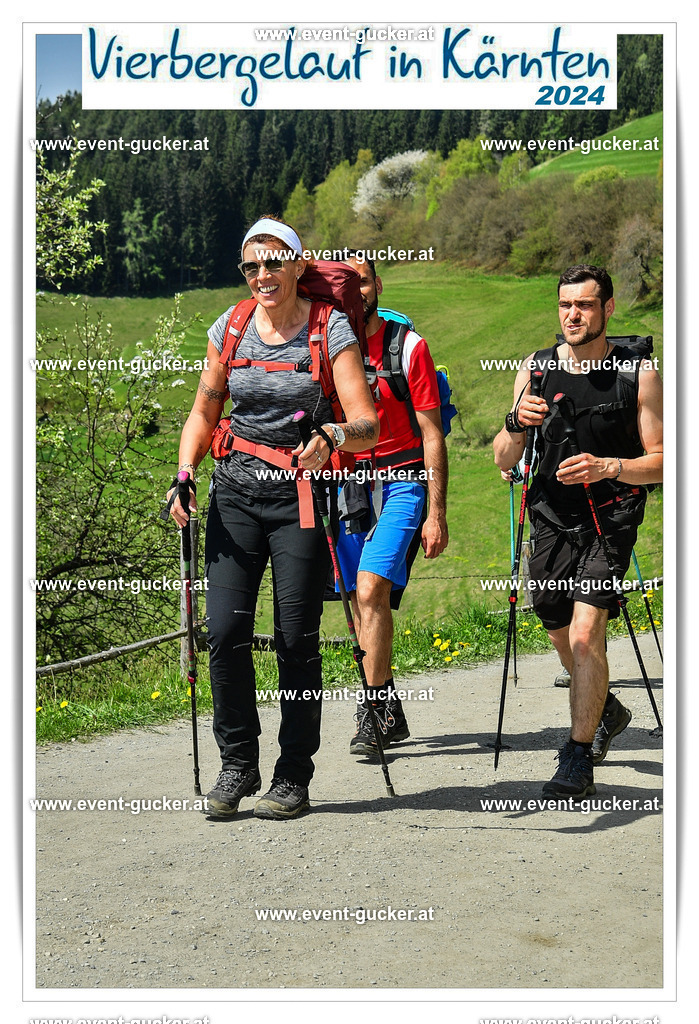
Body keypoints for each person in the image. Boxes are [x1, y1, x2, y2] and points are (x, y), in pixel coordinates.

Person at [167, 217, 378, 820]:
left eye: (274, 262)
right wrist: (184, 473)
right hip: (234, 493)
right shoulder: (230, 327)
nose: (263, 274)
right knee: (225, 633)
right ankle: (237, 764)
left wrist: (333, 435)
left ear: (296, 265)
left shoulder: (328, 327)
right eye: (252, 266)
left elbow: (368, 424)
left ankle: (293, 774)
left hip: (300, 498)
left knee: (295, 640)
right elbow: (203, 413)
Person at [493, 265, 663, 798]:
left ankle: (576, 754)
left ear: (608, 309)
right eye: (566, 305)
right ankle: (606, 707)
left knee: (588, 636)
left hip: (610, 518)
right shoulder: (537, 370)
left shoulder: (639, 373)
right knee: (557, 623)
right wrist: (516, 422)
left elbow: (663, 461)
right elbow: (502, 459)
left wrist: (610, 467)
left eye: (585, 305)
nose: (573, 315)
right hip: (549, 516)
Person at [335, 252, 449, 756]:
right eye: (346, 285)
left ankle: (372, 709)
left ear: (377, 284)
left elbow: (432, 433)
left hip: (403, 479)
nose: (356, 292)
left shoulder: (409, 347)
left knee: (370, 588)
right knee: (362, 603)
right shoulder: (328, 347)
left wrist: (436, 513)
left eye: (362, 282)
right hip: (348, 483)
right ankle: (386, 706)